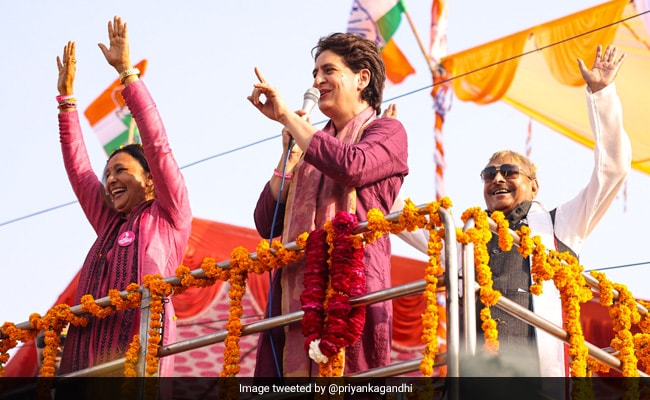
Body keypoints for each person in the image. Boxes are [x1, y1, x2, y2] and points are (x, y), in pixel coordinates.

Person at [248, 32, 409, 377]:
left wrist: (290, 119)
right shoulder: (308, 146)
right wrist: (288, 152)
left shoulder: (388, 131)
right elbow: (266, 222)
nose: (317, 80)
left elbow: (353, 166)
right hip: (295, 299)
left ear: (362, 78)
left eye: (328, 71)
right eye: (314, 73)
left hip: (351, 293)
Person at [473, 44, 630, 377]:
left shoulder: (562, 225)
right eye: (490, 174)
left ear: (534, 186)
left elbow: (612, 171)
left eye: (510, 172)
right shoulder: (466, 236)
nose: (498, 179)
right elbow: (411, 227)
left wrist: (601, 96)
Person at [55, 17, 192, 376]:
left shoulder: (169, 214)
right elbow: (79, 170)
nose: (110, 179)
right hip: (91, 353)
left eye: (121, 170)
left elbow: (157, 145)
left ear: (149, 179)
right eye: (108, 173)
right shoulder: (109, 223)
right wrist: (66, 102)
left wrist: (127, 73)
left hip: (141, 345)